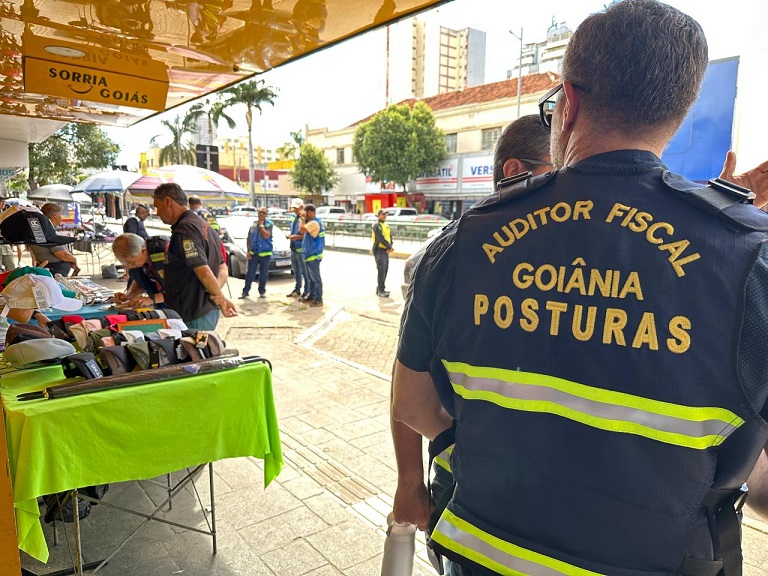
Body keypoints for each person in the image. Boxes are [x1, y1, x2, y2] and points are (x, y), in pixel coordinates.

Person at [392, 2, 768, 575]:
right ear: (678, 111)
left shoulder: (464, 242)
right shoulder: (750, 258)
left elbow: (413, 405)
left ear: (567, 103)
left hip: (481, 556)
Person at [390, 113, 553, 539]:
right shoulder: (447, 255)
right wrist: (411, 480)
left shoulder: (573, 258)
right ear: (516, 172)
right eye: (562, 173)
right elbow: (407, 384)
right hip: (465, 491)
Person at [152, 183, 236, 329]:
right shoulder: (204, 225)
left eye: (157, 206)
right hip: (203, 311)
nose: (157, 212)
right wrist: (216, 293)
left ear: (168, 201)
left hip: (194, 315)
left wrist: (220, 299)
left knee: (194, 351)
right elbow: (222, 267)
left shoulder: (185, 230)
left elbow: (204, 272)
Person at [112, 233, 167, 308]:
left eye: (131, 262)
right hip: (161, 302)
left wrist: (150, 299)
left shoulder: (165, 250)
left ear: (143, 251)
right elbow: (140, 281)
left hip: (182, 303)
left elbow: (180, 288)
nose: (129, 267)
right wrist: (128, 296)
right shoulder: (139, 260)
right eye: (125, 263)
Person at [27, 203, 78, 277]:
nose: (61, 217)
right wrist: (74, 260)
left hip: (48, 268)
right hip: (53, 269)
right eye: (60, 214)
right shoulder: (47, 229)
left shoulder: (40, 228)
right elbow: (62, 254)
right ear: (55, 214)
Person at [240, 207, 273, 299]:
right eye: (260, 212)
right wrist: (248, 251)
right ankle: (245, 292)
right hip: (254, 253)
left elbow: (266, 235)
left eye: (263, 213)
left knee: (263, 274)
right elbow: (249, 238)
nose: (261, 214)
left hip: (265, 253)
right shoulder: (253, 224)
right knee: (250, 273)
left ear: (266, 214)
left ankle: (262, 291)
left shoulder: (269, 224)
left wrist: (262, 226)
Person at [299, 204, 324, 307]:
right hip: (310, 254)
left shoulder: (314, 223)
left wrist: (302, 218)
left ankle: (318, 298)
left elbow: (301, 229)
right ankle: (312, 295)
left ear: (309, 212)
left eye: (305, 213)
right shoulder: (313, 222)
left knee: (316, 278)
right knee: (311, 278)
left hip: (314, 255)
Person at [286, 197, 310, 299]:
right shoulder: (294, 218)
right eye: (294, 208)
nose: (295, 210)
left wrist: (295, 237)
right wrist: (291, 235)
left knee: (305, 272)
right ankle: (297, 289)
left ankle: (307, 291)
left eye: (296, 208)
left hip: (301, 249)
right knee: (296, 272)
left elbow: (307, 235)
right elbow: (294, 231)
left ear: (301, 207)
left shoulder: (305, 219)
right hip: (294, 249)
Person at [371, 209, 393, 297]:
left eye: (385, 215)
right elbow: (380, 238)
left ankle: (381, 288)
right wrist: (389, 247)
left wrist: (390, 246)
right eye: (383, 214)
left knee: (385, 269)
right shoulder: (376, 225)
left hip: (385, 250)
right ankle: (381, 290)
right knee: (381, 270)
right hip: (379, 250)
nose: (384, 216)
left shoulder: (386, 225)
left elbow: (390, 237)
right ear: (378, 215)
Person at [0, 196, 22, 271]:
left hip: (5, 243)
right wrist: (9, 211)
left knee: (11, 267)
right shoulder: (4, 213)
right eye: (1, 202)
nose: (3, 204)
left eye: (4, 202)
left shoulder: (3, 212)